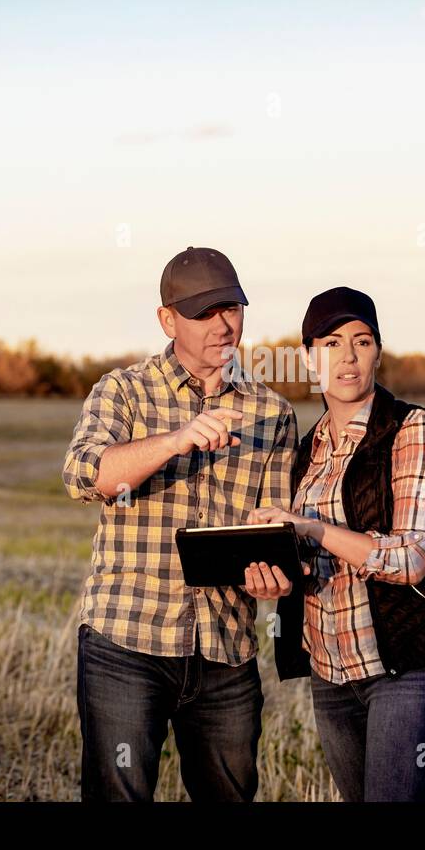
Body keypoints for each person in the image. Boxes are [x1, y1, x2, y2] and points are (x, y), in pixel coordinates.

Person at [248, 286, 425, 801]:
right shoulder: (303, 452)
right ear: (307, 356)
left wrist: (311, 528)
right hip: (333, 675)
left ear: (378, 352)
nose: (347, 357)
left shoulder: (413, 430)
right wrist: (271, 566)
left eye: (362, 342)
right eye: (331, 343)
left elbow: (411, 558)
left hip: (413, 669)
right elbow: (303, 558)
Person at [62, 246, 298, 801]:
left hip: (226, 650)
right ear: (167, 320)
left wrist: (278, 578)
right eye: (203, 312)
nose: (223, 324)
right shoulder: (122, 391)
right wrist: (174, 440)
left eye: (231, 308)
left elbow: (278, 536)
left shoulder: (273, 413)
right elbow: (83, 475)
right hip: (127, 644)